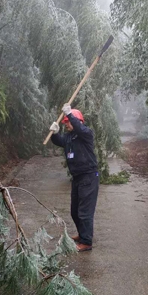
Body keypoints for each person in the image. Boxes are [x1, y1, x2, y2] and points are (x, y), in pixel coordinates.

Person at [49, 104, 99, 252]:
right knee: (75, 211)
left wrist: (70, 114)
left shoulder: (86, 134)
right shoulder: (70, 137)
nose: (66, 124)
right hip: (77, 177)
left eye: (68, 122)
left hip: (88, 177)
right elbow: (60, 141)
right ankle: (82, 234)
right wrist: (54, 134)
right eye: (65, 123)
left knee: (85, 212)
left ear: (78, 121)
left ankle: (86, 242)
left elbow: (81, 129)